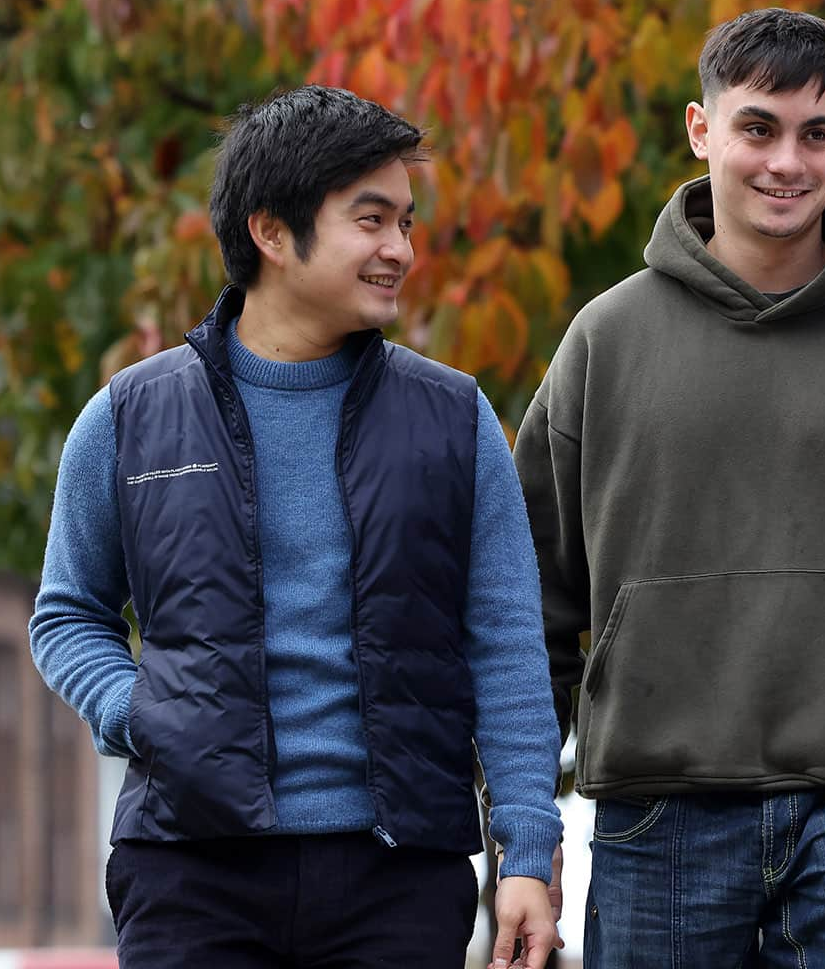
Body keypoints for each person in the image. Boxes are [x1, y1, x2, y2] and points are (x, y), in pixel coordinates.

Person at [515, 8, 825, 968]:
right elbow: (529, 608)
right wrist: (523, 838)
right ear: (702, 130)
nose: (787, 161)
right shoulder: (604, 341)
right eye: (758, 127)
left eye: (816, 133)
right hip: (653, 816)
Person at [30, 86, 563, 968]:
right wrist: (140, 713)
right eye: (372, 220)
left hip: (400, 875)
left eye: (406, 222)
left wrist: (527, 855)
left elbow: (505, 644)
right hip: (190, 867)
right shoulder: (129, 417)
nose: (401, 248)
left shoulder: (455, 422)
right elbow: (67, 613)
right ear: (271, 232)